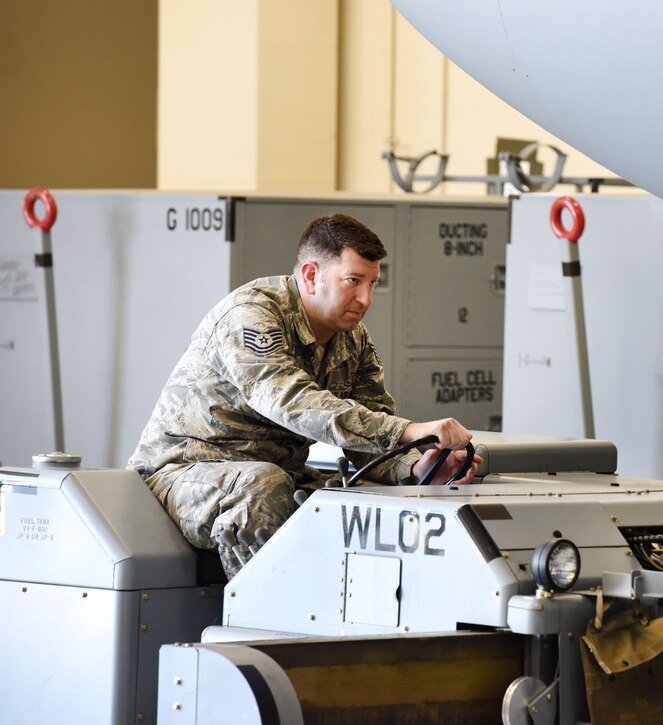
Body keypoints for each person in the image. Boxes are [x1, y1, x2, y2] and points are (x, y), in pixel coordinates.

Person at [128, 213, 481, 578]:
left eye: (373, 283)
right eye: (353, 281)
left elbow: (368, 444)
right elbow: (292, 401)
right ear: (311, 275)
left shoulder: (351, 339)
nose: (365, 298)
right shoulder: (252, 315)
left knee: (350, 498)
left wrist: (418, 467)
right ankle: (262, 620)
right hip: (181, 475)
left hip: (277, 473)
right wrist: (409, 432)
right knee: (261, 486)